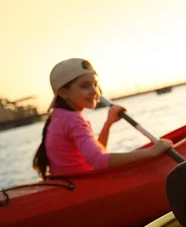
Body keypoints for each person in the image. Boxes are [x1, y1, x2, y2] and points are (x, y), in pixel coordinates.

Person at [32, 58, 173, 180]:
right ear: (63, 92)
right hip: (84, 187)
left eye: (95, 84)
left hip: (77, 182)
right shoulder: (73, 120)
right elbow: (99, 161)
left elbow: (96, 155)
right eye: (84, 86)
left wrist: (108, 123)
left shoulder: (59, 116)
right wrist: (151, 152)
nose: (94, 91)